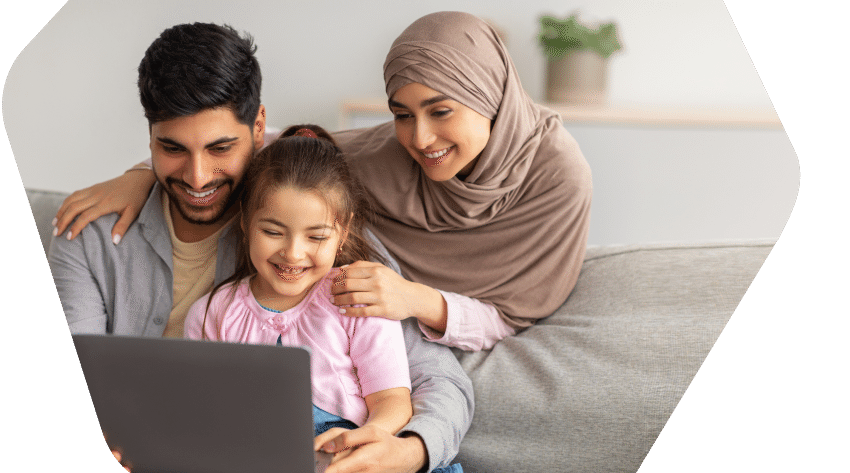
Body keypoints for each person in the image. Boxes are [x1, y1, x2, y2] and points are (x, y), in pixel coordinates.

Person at [47, 22, 473, 473]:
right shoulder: (91, 237)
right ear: (149, 139)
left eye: (220, 148)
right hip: (174, 469)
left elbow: (439, 378)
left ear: (258, 127)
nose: (198, 176)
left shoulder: (310, 223)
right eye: (172, 149)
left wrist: (410, 452)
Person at [53, 11, 593, 353]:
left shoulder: (554, 178)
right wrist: (142, 175)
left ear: (491, 94)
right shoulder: (358, 166)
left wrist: (418, 301)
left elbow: (495, 328)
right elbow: (270, 156)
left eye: (441, 111)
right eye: (401, 114)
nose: (420, 138)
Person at [183, 124, 481, 473]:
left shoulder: (355, 298)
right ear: (246, 223)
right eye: (273, 232)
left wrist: (373, 438)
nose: (293, 253)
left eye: (316, 236)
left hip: (375, 467)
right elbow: (205, 414)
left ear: (342, 233)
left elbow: (393, 401)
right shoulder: (214, 312)